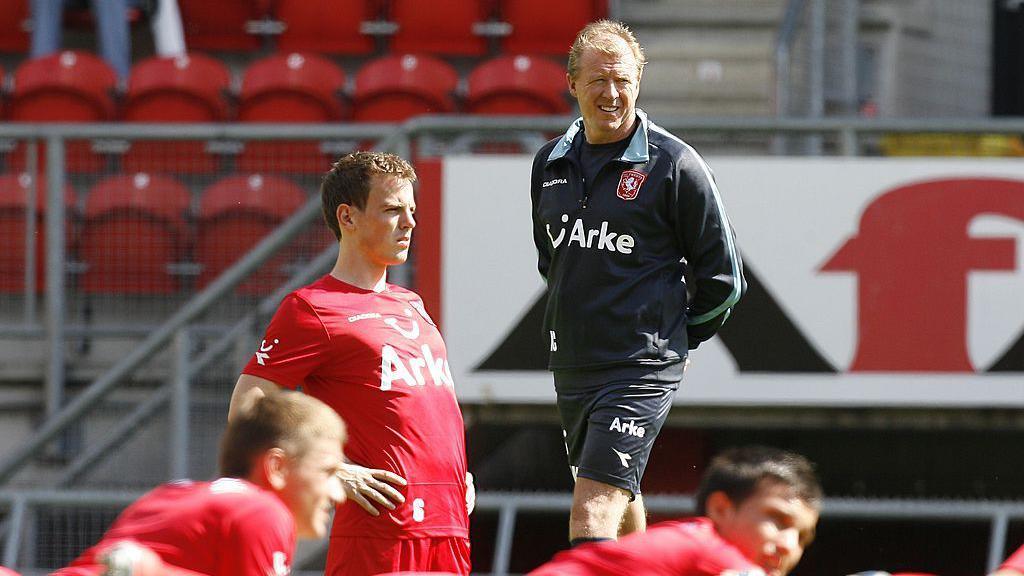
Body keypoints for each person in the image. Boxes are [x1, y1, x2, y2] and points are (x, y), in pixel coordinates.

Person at [530, 19, 745, 546]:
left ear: (640, 81)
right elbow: (551, 262)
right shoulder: (548, 163)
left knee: (591, 514)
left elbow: (726, 279)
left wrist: (674, 338)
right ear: (572, 82)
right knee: (621, 495)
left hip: (640, 367)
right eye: (599, 79)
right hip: (574, 361)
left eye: (623, 80)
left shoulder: (675, 164)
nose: (611, 93)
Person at [229, 151, 472, 576]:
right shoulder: (311, 308)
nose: (410, 223)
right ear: (348, 216)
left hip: (450, 525)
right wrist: (330, 471)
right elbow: (246, 409)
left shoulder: (411, 303)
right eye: (393, 210)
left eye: (411, 210)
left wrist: (456, 476)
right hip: (382, 530)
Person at [54, 389, 346, 575]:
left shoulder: (171, 493)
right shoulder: (263, 511)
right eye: (328, 472)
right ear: (277, 467)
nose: (339, 494)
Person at [529, 446, 821, 576]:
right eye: (778, 520)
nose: (789, 545)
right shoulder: (709, 550)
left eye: (803, 538)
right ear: (721, 508)